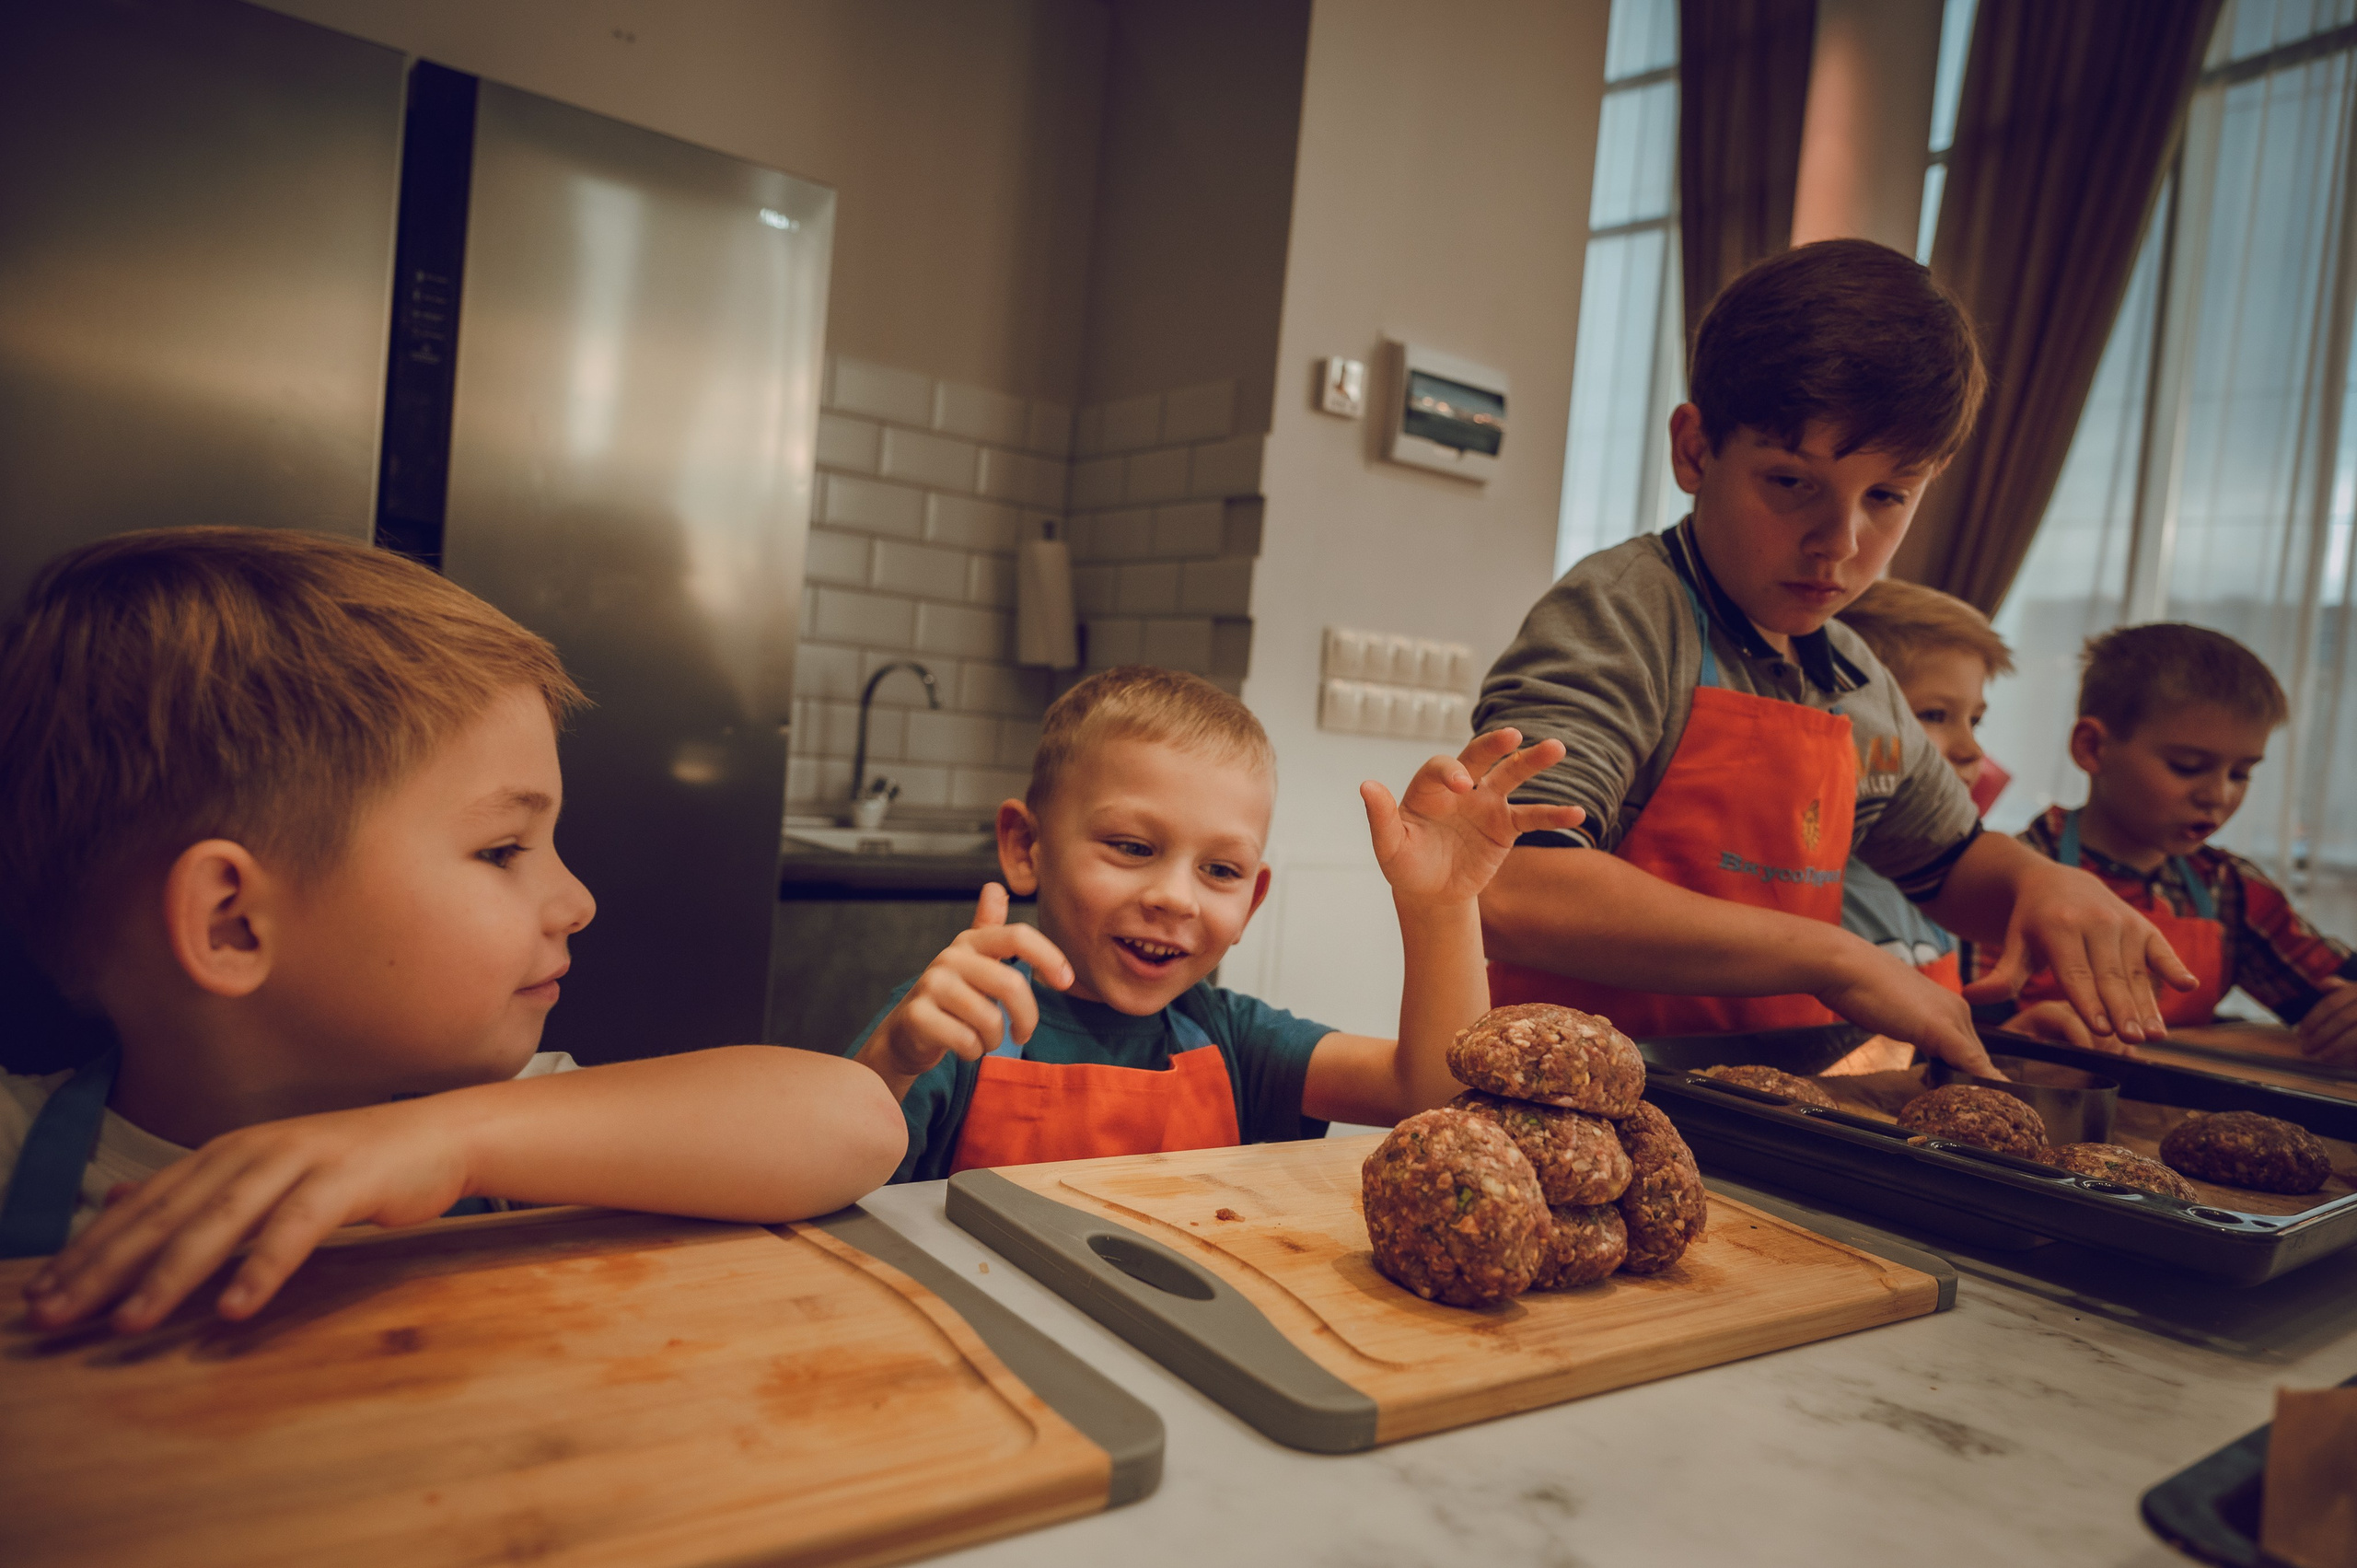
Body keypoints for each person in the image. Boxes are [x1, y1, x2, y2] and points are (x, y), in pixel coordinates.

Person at [0, 528, 906, 1334]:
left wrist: (453, 1140)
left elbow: (852, 1120)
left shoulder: (502, 1124)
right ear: (234, 922)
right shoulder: (15, 1146)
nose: (579, 898)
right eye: (503, 848)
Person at [1477, 238, 2192, 1073]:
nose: (1840, 543)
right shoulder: (1621, 617)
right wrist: (1834, 955)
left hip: (1774, 1110)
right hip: (1580, 1101)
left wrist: (2039, 884)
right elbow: (1515, 884)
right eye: (1791, 482)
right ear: (1695, 450)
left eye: (1888, 496)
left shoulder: (1853, 675)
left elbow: (1952, 861)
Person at [846, 665, 1582, 1181]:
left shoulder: (1235, 1040)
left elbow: (1431, 1095)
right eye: (1132, 847)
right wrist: (895, 1059)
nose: (1176, 897)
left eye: (1220, 871)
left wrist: (1440, 906)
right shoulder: (953, 1024)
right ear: (1026, 846)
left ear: (1250, 904)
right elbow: (828, 1178)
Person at [1988, 623, 2357, 1063]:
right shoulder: (2009, 875)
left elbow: (2334, 983)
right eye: (2188, 766)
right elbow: (1969, 1038)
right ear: (2091, 748)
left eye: (2241, 773)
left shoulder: (2231, 888)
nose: (2219, 795)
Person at [1831, 578, 2015, 992]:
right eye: (1934, 715)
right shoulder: (1810, 885)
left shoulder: (1942, 885)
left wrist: (2013, 1035)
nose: (1973, 750)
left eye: (1975, 720)